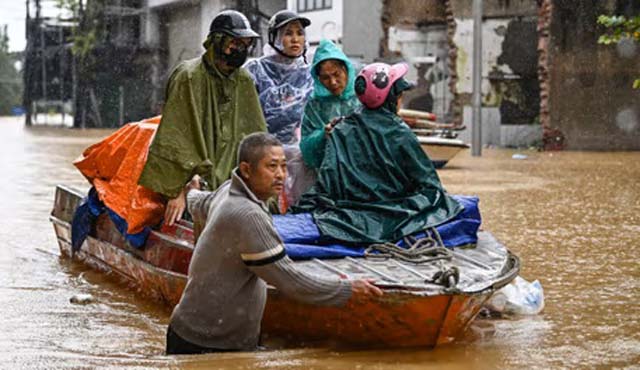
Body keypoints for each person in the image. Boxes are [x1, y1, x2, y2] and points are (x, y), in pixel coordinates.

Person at [166, 132, 382, 355]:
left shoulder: (228, 191)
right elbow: (288, 279)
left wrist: (189, 190)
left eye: (284, 166)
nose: (280, 175)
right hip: (207, 345)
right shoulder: (248, 215)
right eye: (271, 167)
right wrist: (346, 290)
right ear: (247, 170)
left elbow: (199, 202)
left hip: (193, 332)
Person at [292, 62, 463, 244]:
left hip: (346, 214)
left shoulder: (340, 128)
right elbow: (430, 185)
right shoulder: (400, 132)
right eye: (399, 95)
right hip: (393, 213)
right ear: (392, 98)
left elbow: (326, 183)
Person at [138, 10, 267, 227]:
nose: (240, 49)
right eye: (235, 42)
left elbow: (256, 137)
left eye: (245, 44)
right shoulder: (189, 77)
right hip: (196, 184)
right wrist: (178, 189)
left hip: (234, 186)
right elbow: (176, 137)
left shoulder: (244, 80)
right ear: (217, 41)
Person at [243, 10, 313, 144]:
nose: (295, 39)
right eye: (288, 33)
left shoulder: (309, 74)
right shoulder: (255, 70)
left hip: (300, 152)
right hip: (261, 149)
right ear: (274, 37)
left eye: (300, 33)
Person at [299, 39, 361, 170]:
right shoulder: (314, 106)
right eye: (326, 78)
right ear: (318, 79)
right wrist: (323, 135)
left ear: (346, 70)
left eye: (336, 74)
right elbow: (306, 149)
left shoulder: (362, 97)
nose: (333, 82)